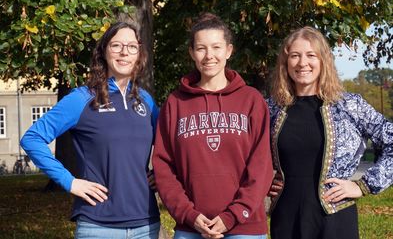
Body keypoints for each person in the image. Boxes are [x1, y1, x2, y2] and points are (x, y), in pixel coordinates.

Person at [20, 22, 160, 239]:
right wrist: (70, 181)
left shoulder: (146, 101)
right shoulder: (83, 98)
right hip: (98, 226)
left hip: (146, 224)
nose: (125, 52)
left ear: (139, 53)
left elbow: (172, 144)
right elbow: (32, 138)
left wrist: (162, 175)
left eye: (132, 46)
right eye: (116, 45)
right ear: (104, 51)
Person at [152, 13, 273, 239]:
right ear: (192, 53)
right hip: (191, 228)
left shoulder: (251, 100)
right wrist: (188, 215)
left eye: (216, 47)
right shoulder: (175, 103)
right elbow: (164, 166)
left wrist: (233, 215)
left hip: (243, 228)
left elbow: (262, 166)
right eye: (201, 48)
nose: (209, 56)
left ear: (228, 51)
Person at [267, 26, 393, 239]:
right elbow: (245, 152)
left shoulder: (349, 106)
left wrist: (363, 186)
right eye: (295, 56)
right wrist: (264, 181)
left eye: (311, 55)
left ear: (323, 60)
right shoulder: (271, 109)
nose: (302, 63)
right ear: (285, 63)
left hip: (334, 218)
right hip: (286, 217)